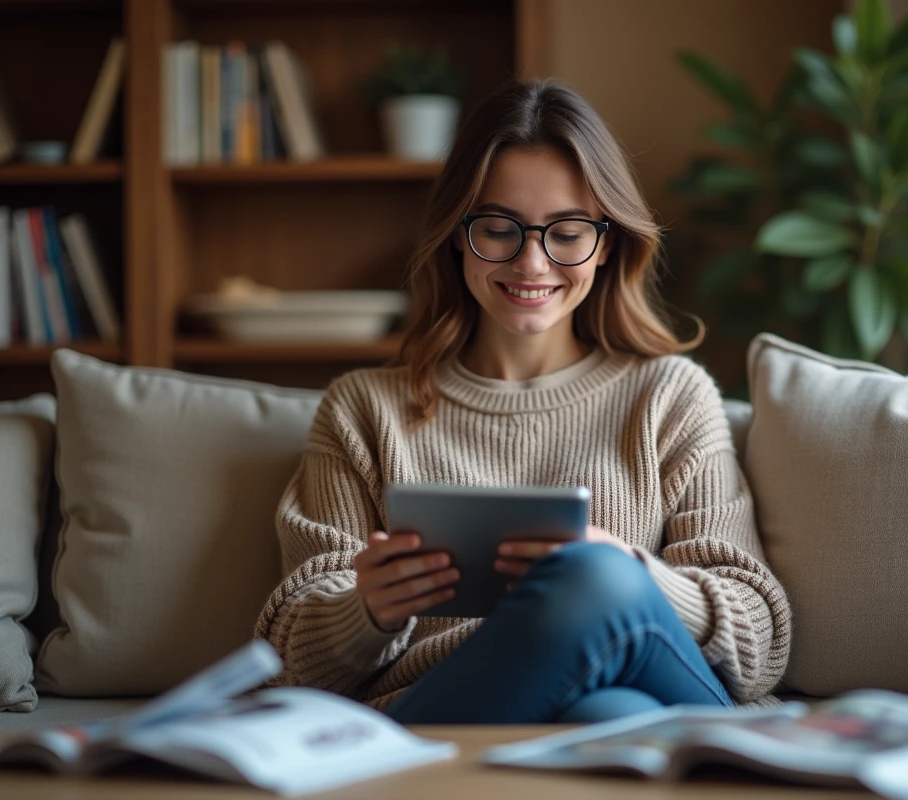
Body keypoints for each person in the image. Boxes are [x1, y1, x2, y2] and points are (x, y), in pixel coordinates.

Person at [254, 78, 791, 724]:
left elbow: (759, 642)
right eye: (499, 228)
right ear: (457, 234)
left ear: (607, 243)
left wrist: (631, 578)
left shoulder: (669, 397)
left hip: (625, 690)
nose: (532, 264)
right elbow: (287, 657)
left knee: (598, 584)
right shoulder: (363, 411)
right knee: (607, 713)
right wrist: (365, 610)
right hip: (461, 705)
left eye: (566, 232)